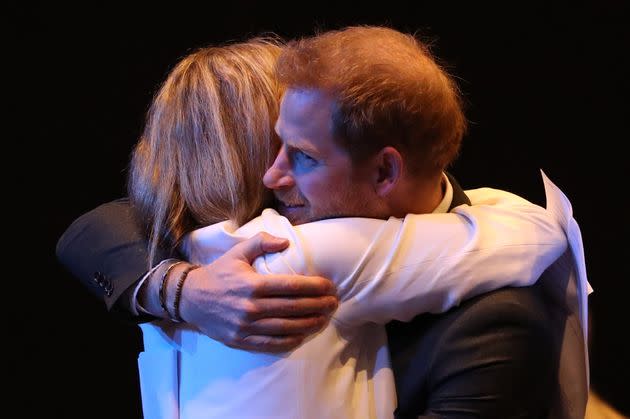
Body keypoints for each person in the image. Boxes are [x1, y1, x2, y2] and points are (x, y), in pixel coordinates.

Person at [56, 27, 589, 418]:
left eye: (300, 153)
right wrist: (183, 290)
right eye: (274, 143)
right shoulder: (249, 254)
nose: (275, 173)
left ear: (384, 168)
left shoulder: (495, 321)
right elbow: (96, 229)